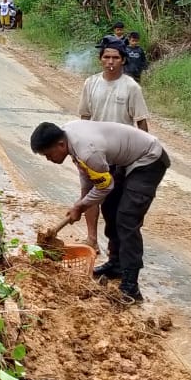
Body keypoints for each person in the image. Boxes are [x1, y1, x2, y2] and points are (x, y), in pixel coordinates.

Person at [29, 120, 170, 303]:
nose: (48, 159)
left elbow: (105, 186)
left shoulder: (88, 151)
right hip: (128, 160)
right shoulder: (70, 140)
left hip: (149, 159)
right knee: (110, 207)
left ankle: (131, 287)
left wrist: (81, 206)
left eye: (48, 154)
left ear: (61, 145)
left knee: (127, 218)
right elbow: (89, 177)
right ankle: (116, 264)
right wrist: (81, 203)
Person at [78, 45, 150, 252]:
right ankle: (91, 239)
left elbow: (141, 122)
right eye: (107, 57)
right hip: (94, 152)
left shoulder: (131, 87)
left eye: (115, 58)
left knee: (116, 200)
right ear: (100, 59)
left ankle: (116, 245)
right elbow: (85, 117)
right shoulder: (90, 83)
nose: (110, 62)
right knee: (89, 194)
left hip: (121, 155)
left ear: (123, 60)